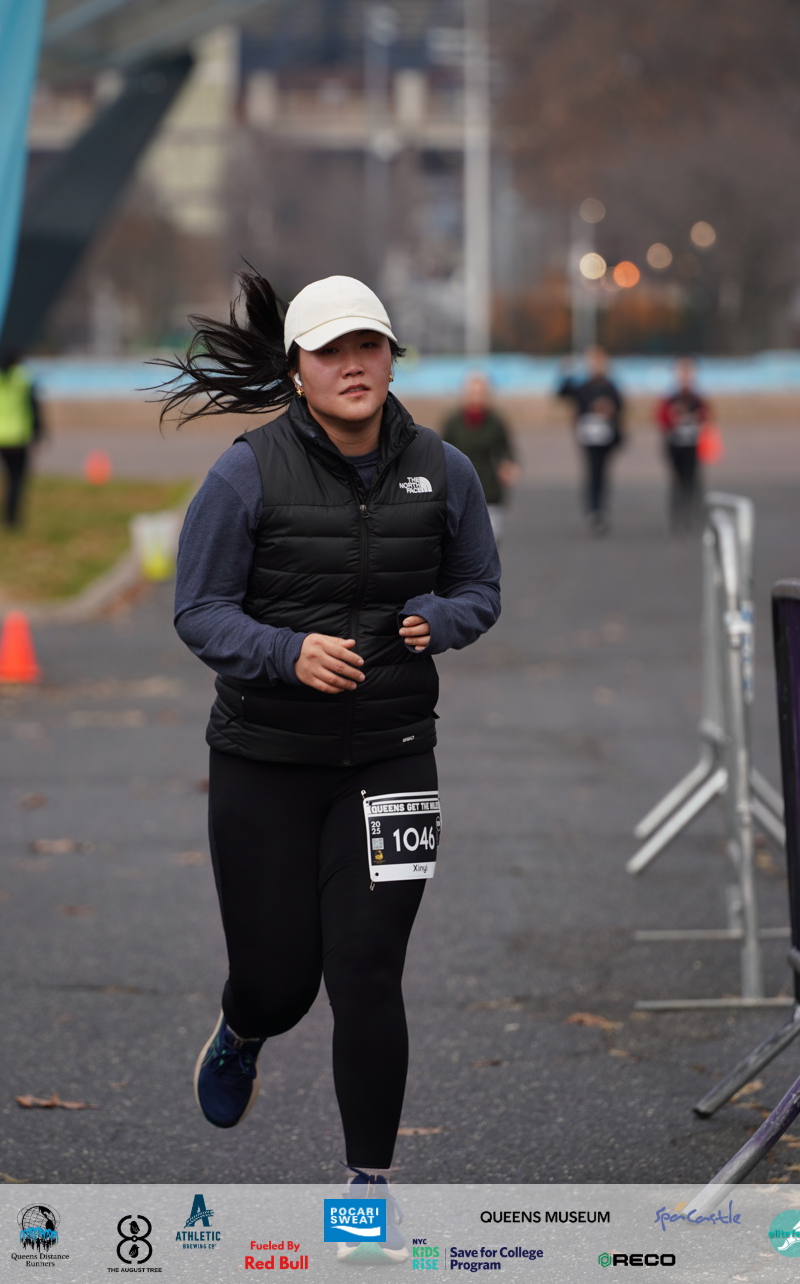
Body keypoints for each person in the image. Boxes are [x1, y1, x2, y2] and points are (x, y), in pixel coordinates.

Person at [164, 273, 499, 1254]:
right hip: (265, 760)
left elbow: (481, 588)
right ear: (298, 369)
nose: (353, 365)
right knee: (280, 981)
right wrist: (285, 651)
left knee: (367, 969)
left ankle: (366, 1195)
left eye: (369, 346)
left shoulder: (445, 469)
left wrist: (440, 619)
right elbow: (198, 610)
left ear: (391, 357)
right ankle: (242, 1028)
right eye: (331, 350)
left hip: (393, 758)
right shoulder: (245, 474)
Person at [441, 374, 518, 544]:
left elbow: (507, 452)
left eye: (481, 393)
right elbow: (441, 454)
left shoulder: (495, 423)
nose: (476, 398)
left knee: (490, 545)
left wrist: (508, 467)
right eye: (473, 393)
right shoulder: (453, 423)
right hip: (459, 495)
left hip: (489, 494)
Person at [556, 345, 625, 534]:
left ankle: (600, 508)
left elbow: (620, 407)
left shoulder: (610, 387)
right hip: (588, 438)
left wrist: (609, 409)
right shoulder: (583, 387)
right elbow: (562, 393)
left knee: (602, 473)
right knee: (593, 472)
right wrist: (566, 372)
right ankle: (594, 510)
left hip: (606, 438)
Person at [0, 348, 42, 528]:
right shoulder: (23, 378)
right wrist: (39, 432)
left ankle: (4, 516)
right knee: (17, 478)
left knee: (5, 477)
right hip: (17, 436)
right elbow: (34, 406)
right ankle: (12, 517)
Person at [657, 357, 710, 533]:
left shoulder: (697, 398)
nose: (685, 376)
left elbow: (706, 418)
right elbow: (661, 419)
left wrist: (696, 418)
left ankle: (692, 514)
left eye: (688, 372)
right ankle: (678, 516)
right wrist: (673, 416)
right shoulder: (670, 397)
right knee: (677, 481)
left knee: (692, 480)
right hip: (675, 445)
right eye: (682, 372)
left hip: (693, 445)